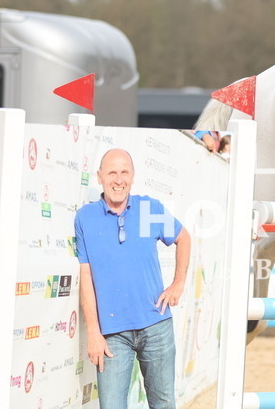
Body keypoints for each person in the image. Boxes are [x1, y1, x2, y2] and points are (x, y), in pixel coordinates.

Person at [74, 148, 191, 408]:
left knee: (163, 405)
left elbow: (184, 238)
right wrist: (93, 330)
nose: (118, 179)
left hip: (156, 325)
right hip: (112, 334)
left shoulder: (149, 208)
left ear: (133, 176)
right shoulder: (85, 218)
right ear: (99, 177)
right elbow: (86, 276)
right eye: (112, 172)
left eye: (124, 172)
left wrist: (178, 283)